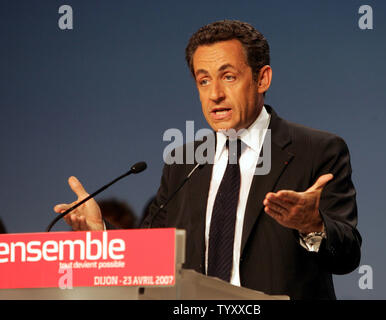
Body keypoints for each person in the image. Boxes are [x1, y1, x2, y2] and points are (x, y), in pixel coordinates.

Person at [54, 20, 361, 299]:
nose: (214, 94)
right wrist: (101, 234)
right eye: (203, 81)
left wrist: (312, 225)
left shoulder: (317, 150)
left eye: (228, 77)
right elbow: (152, 256)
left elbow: (347, 256)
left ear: (262, 79)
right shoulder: (183, 161)